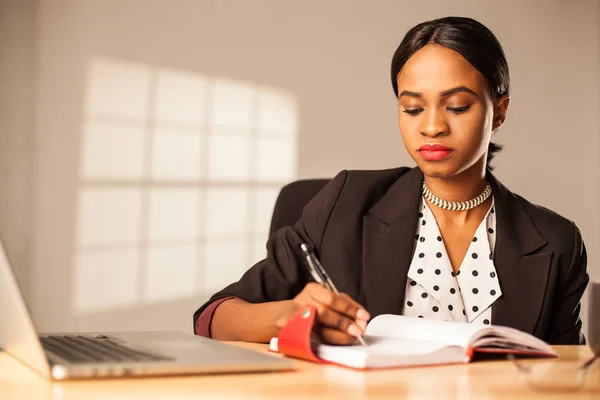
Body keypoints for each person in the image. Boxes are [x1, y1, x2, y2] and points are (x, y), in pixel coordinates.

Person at [193, 16, 589, 346]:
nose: (432, 126)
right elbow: (213, 316)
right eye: (412, 108)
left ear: (499, 111)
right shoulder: (345, 202)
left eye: (456, 106)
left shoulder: (558, 242)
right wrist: (285, 317)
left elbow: (568, 375)